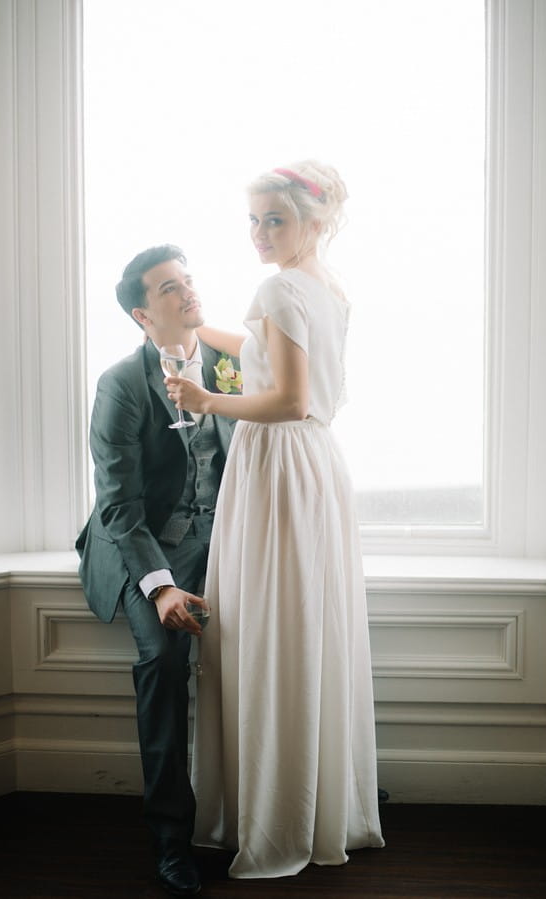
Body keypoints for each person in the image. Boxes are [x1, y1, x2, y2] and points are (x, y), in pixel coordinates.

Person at [165, 161, 385, 879]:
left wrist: (205, 400)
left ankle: (271, 813)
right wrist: (205, 330)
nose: (259, 232)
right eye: (253, 219)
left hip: (277, 464)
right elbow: (270, 353)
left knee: (270, 629)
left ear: (314, 221)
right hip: (313, 464)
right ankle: (311, 804)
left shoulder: (280, 285)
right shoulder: (322, 285)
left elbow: (286, 398)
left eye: (274, 220)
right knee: (302, 625)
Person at [75, 244, 238, 897]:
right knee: (165, 659)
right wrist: (163, 584)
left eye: (189, 279)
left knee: (280, 618)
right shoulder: (121, 383)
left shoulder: (228, 366)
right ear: (144, 314)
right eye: (171, 287)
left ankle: (320, 789)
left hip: (218, 537)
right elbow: (118, 502)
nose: (188, 291)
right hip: (139, 544)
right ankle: (172, 840)